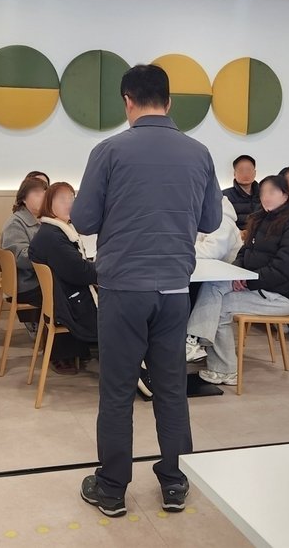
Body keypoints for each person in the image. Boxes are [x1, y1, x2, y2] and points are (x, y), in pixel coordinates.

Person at [72, 64, 222, 518]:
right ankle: (176, 482)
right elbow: (211, 220)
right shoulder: (199, 152)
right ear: (169, 101)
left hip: (122, 288)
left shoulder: (109, 150)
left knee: (118, 390)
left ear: (127, 101)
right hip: (175, 288)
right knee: (171, 387)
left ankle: (112, 488)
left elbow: (84, 221)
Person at [185, 175, 289, 382]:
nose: (266, 197)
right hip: (257, 285)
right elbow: (244, 252)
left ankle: (224, 369)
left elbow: (284, 269)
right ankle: (194, 342)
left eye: (272, 192)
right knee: (212, 286)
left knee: (219, 306)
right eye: (262, 192)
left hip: (278, 296)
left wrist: (248, 281)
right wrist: (237, 273)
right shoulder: (262, 218)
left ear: (285, 195)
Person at [29, 182, 98, 375]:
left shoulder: (51, 231)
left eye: (72, 199)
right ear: (49, 204)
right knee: (130, 308)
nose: (69, 204)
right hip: (71, 307)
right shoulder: (53, 237)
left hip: (64, 300)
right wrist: (108, 269)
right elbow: (81, 272)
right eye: (62, 200)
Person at [0, 175, 49, 329]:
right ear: (23, 199)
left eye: (45, 192)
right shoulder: (16, 223)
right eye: (37, 192)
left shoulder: (43, 220)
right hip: (28, 284)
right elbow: (21, 258)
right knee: (70, 292)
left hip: (39, 280)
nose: (43, 196)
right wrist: (50, 251)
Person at [195, 196, 243, 264]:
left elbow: (212, 251)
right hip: (207, 266)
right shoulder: (196, 212)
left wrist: (181, 246)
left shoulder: (222, 217)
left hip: (227, 268)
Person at [222, 155, 261, 229]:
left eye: (248, 170)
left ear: (255, 173)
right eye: (241, 170)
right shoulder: (224, 196)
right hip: (235, 235)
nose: (245, 173)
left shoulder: (264, 195)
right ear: (234, 174)